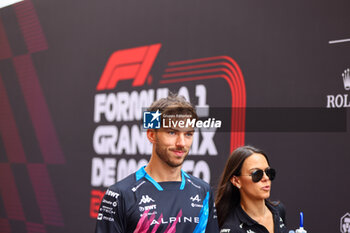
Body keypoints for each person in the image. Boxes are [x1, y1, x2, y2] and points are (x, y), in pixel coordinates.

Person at [95, 93, 219, 233]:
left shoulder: (203, 191)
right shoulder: (120, 194)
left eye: (188, 134)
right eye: (172, 132)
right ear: (151, 135)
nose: (181, 143)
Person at [215, 145, 287, 233]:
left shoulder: (279, 210)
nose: (266, 178)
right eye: (256, 174)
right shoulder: (231, 227)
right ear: (236, 181)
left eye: (268, 172)